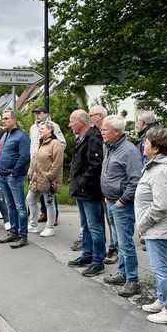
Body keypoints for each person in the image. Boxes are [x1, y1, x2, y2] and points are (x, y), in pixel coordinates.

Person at [136, 127, 167, 324]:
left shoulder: (162, 170)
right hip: (157, 226)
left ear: (155, 148)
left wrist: (144, 223)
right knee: (159, 267)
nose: (143, 145)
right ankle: (163, 300)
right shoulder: (157, 166)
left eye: (146, 143)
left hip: (158, 226)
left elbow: (161, 205)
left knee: (160, 269)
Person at [100, 115, 143, 297]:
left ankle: (132, 280)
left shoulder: (129, 151)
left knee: (125, 243)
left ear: (116, 132)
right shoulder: (109, 147)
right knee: (118, 241)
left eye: (104, 129)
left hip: (121, 204)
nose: (101, 132)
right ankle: (123, 273)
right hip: (110, 201)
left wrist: (122, 200)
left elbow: (135, 180)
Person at [67, 109, 106, 277]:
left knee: (94, 226)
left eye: (71, 121)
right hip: (80, 191)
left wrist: (82, 182)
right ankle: (87, 255)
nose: (69, 125)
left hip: (89, 191)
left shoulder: (93, 138)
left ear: (81, 123)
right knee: (85, 226)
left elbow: (95, 164)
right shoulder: (81, 138)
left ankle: (98, 260)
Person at [0, 110, 31, 249]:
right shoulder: (5, 135)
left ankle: (23, 236)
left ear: (14, 119)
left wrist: (15, 172)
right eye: (2, 118)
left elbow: (24, 157)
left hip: (13, 177)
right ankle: (13, 232)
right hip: (2, 175)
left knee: (20, 206)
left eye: (6, 118)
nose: (3, 121)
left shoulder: (21, 136)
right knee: (10, 206)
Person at [29, 106, 66, 225]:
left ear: (46, 114)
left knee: (49, 191)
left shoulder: (53, 126)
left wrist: (51, 152)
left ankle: (53, 218)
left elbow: (62, 144)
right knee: (37, 191)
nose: (37, 115)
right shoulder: (33, 128)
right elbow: (32, 144)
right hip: (35, 162)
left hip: (47, 162)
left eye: (40, 113)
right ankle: (44, 213)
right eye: (36, 113)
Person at [89, 105, 117, 263]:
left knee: (111, 218)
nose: (90, 118)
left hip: (111, 186)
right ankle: (105, 245)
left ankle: (114, 248)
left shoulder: (110, 134)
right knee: (101, 217)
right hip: (100, 183)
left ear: (99, 116)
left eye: (91, 115)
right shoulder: (95, 133)